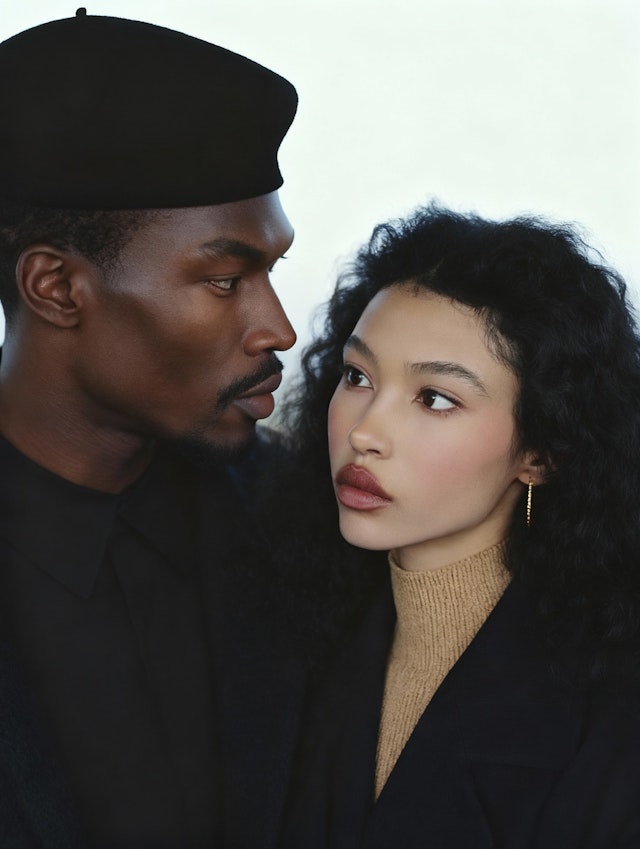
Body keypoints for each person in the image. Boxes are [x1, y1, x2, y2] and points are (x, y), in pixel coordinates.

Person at [0, 10, 302, 848]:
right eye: (225, 279)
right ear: (57, 288)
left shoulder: (306, 520)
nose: (278, 328)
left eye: (272, 270)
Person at [278, 205, 640, 847]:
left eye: (435, 399)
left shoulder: (613, 710)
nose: (364, 432)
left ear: (541, 454)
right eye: (357, 376)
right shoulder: (293, 633)